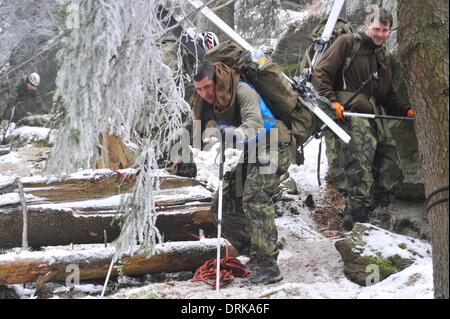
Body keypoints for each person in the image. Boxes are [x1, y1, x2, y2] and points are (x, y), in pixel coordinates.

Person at [312, 8, 414, 231]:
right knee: (360, 171)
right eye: (376, 28)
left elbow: (386, 94)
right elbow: (321, 72)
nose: (380, 34)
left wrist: (405, 109)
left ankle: (366, 213)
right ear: (366, 26)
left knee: (393, 171)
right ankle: (354, 222)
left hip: (376, 119)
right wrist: (332, 101)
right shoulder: (347, 43)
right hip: (350, 116)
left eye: (385, 30)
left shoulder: (385, 57)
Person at [192, 61, 292, 285]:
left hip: (275, 143)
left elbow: (255, 125)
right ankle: (256, 254)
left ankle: (269, 264)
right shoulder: (208, 101)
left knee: (255, 196)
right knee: (223, 204)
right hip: (252, 150)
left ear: (216, 79)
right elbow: (201, 132)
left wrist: (234, 135)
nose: (204, 93)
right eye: (199, 89)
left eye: (207, 86)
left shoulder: (243, 90)